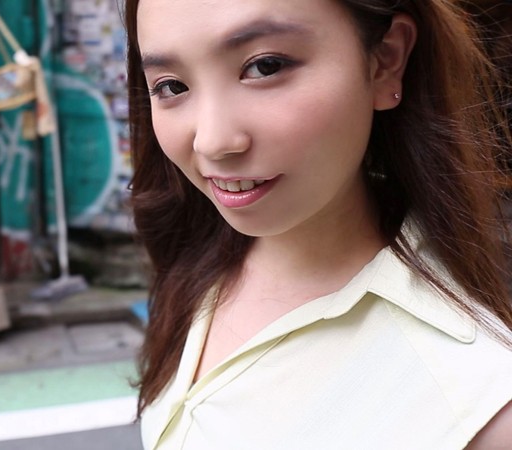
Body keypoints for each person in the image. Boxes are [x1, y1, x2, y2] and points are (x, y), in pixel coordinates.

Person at [124, 0, 512, 448]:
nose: (212, 141)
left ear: (385, 60)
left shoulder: (474, 404)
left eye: (265, 66)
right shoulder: (199, 255)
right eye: (172, 86)